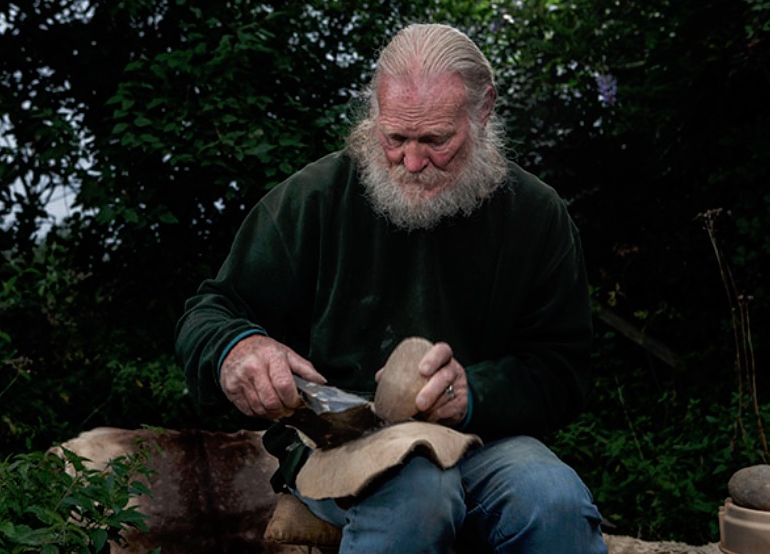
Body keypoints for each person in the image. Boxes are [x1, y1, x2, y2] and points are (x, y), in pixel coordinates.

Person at [176, 22, 607, 554]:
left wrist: (473, 393)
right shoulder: (313, 199)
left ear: (484, 110)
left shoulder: (536, 215)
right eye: (395, 138)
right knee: (419, 491)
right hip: (340, 442)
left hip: (485, 441)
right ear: (373, 112)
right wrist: (237, 349)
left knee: (554, 501)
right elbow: (211, 311)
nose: (411, 162)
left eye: (436, 141)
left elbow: (563, 370)